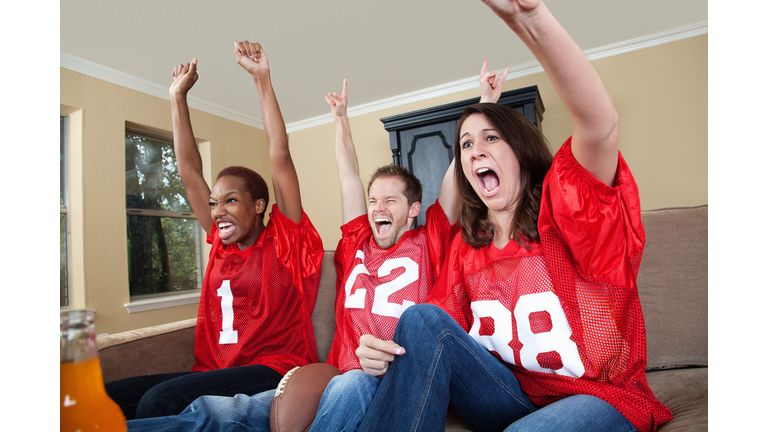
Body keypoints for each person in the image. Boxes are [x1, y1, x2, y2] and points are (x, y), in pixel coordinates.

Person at [356, 1, 673, 431]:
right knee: (418, 319)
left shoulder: (565, 216)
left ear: (521, 152)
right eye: (466, 145)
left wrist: (531, 18)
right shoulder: (468, 247)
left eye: (491, 138)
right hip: (508, 394)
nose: (476, 150)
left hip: (598, 396)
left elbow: (600, 127)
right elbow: (436, 336)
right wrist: (381, 351)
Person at [124, 79, 461, 432]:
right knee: (217, 415)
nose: (377, 206)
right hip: (335, 376)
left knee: (353, 384)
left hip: (392, 378)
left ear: (413, 210)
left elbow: (454, 184)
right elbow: (348, 177)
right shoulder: (356, 242)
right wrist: (341, 121)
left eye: (390, 200)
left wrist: (482, 108)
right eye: (374, 199)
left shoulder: (432, 240)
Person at [107, 41, 324, 420]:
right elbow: (189, 172)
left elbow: (280, 154)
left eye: (231, 200)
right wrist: (177, 98)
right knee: (104, 395)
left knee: (159, 402)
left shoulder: (285, 243)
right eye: (214, 203)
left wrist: (261, 79)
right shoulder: (221, 245)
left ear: (259, 206)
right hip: (214, 372)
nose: (218, 211)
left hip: (274, 368)